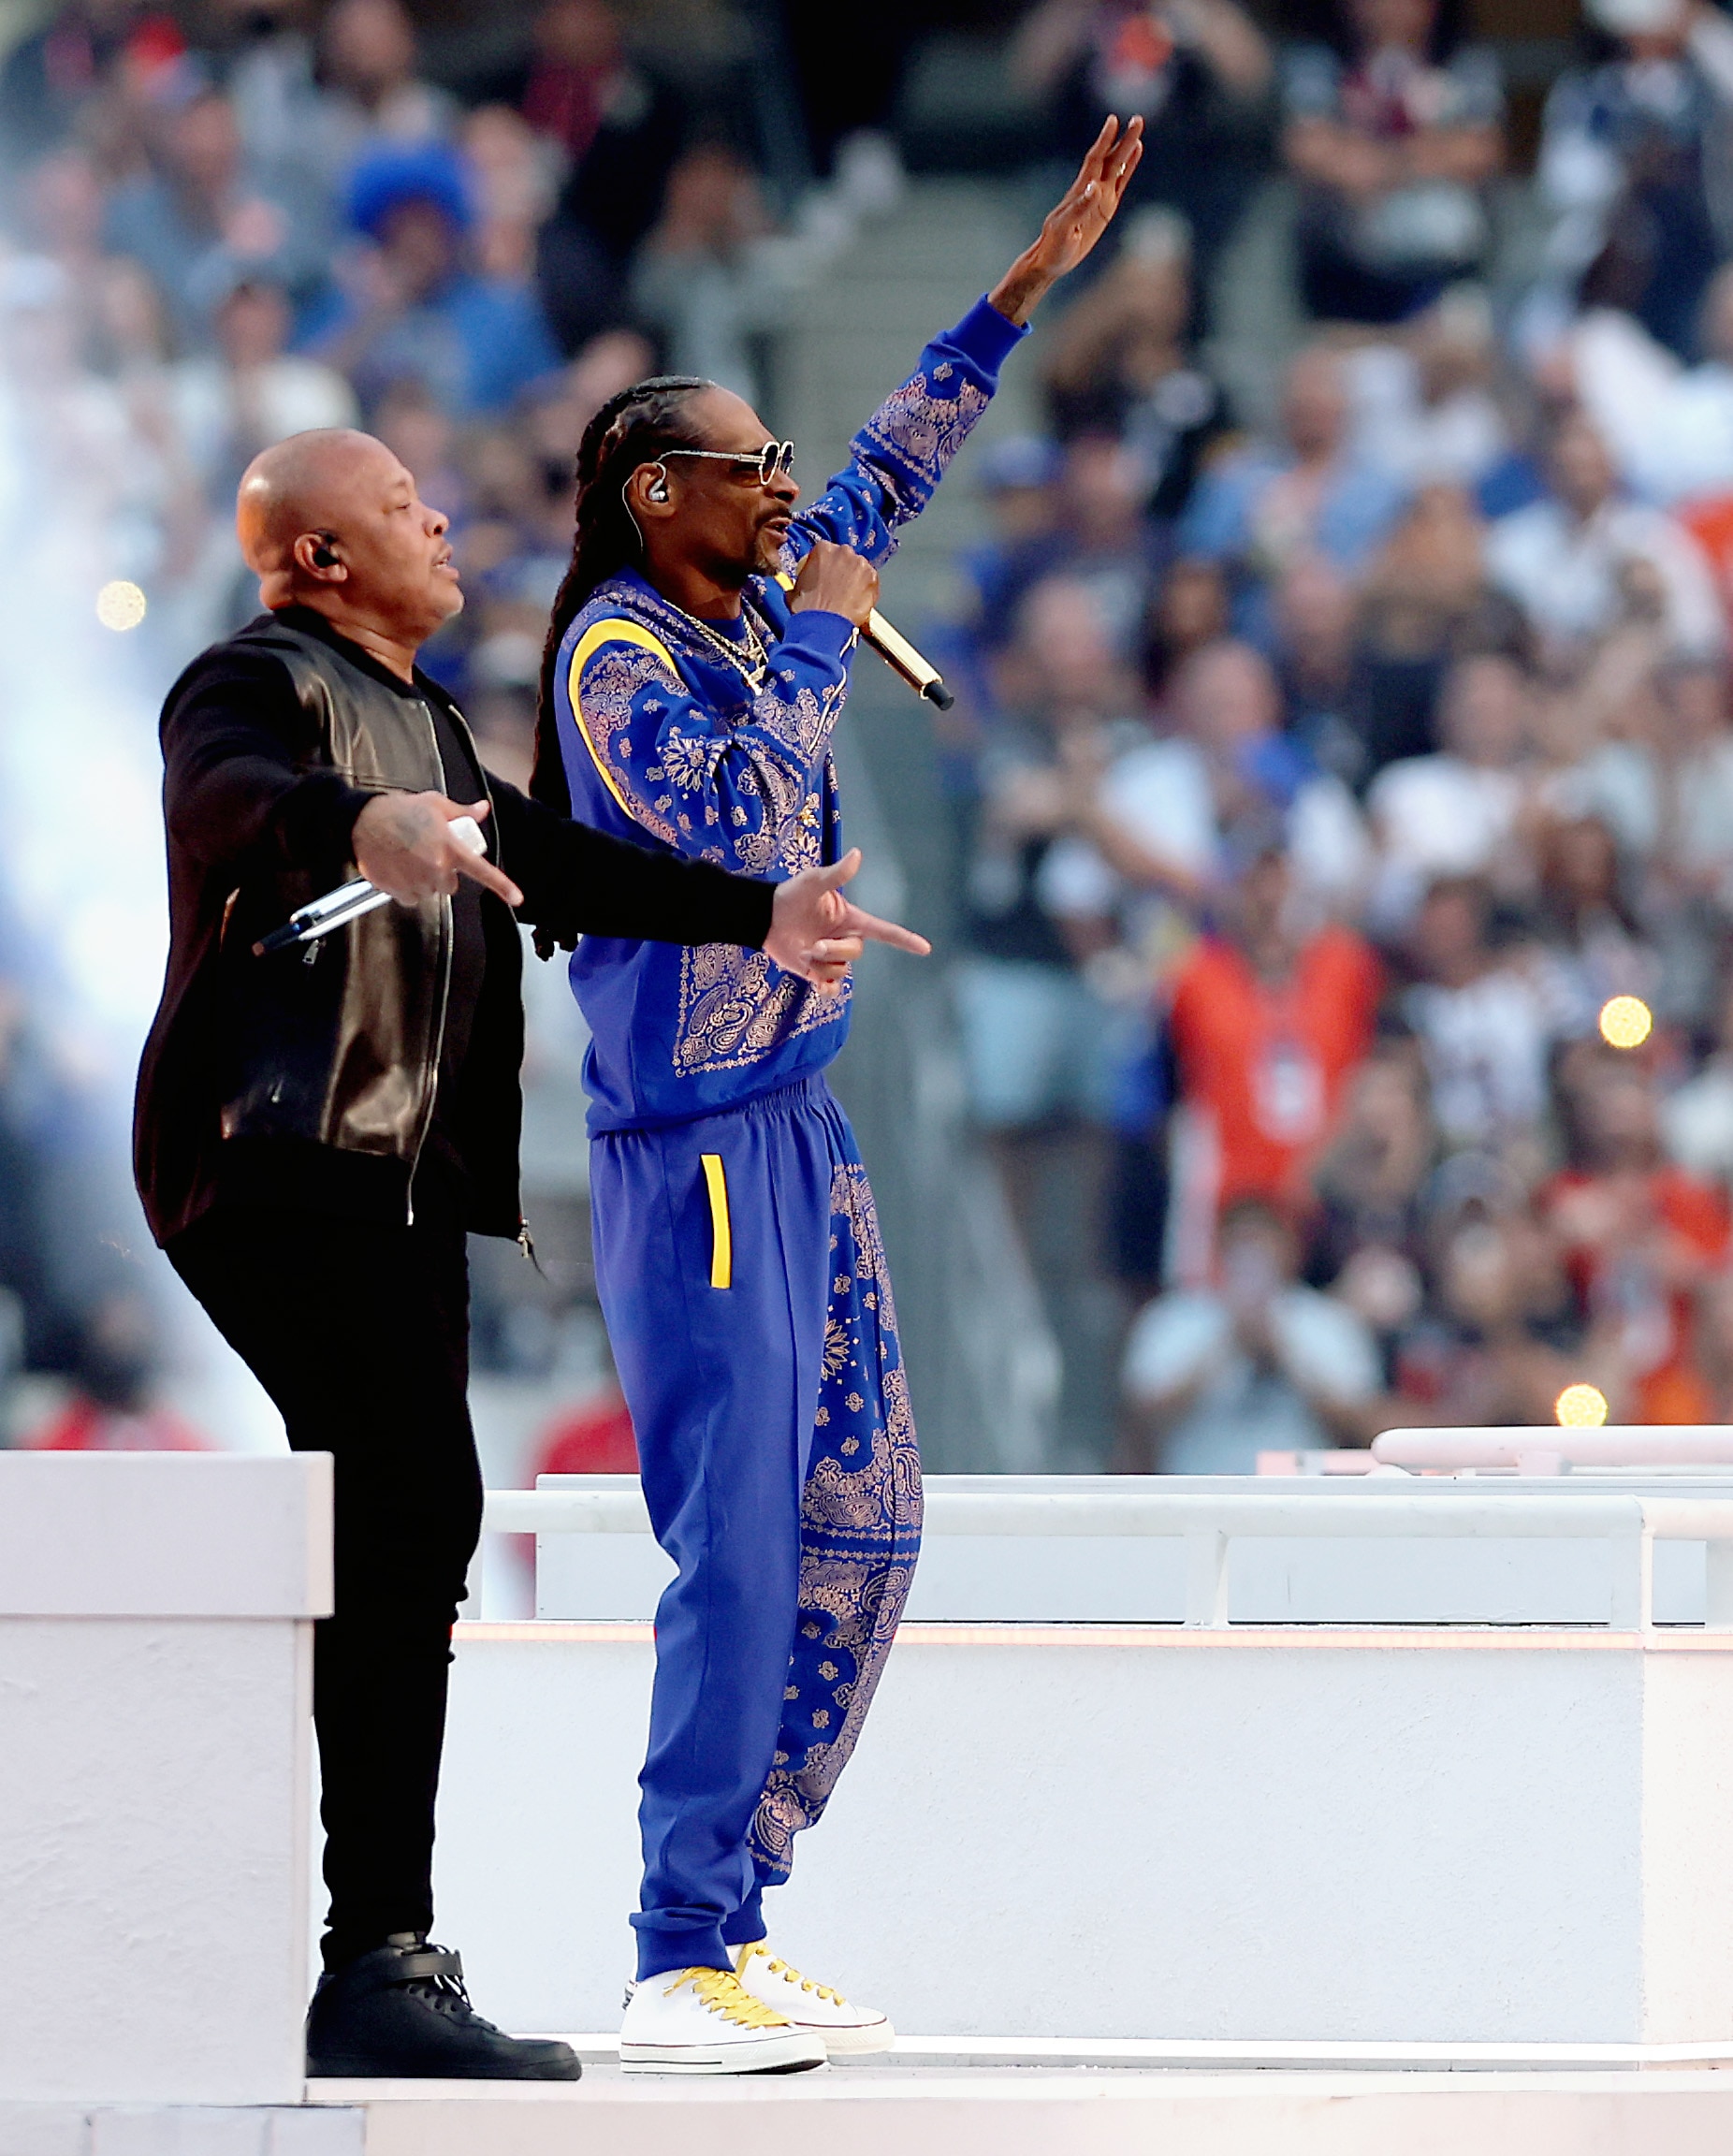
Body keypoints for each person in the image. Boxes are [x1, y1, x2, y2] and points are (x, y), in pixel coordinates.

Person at [133, 426, 923, 2082]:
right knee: (413, 1504)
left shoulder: (429, 723)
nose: (443, 518)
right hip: (274, 1160)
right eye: (405, 508)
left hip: (398, 1185)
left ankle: (380, 1954)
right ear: (326, 560)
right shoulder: (246, 682)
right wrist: (362, 829)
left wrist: (752, 912)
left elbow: (556, 862)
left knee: (409, 1520)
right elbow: (232, 803)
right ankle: (378, 1961)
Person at [532, 118, 1144, 2072]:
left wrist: (1014, 293)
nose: (791, 488)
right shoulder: (615, 658)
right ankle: (664, 1949)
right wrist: (816, 619)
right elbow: (718, 810)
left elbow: (886, 471)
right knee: (740, 1536)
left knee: (867, 1530)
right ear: (653, 495)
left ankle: (737, 1902)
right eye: (749, 467)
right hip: (693, 1157)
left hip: (797, 1124)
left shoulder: (730, 604)